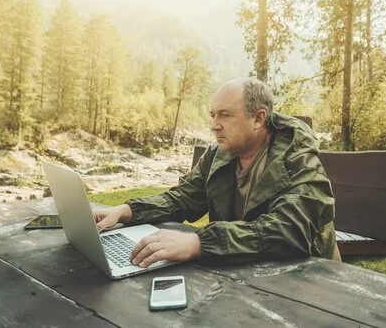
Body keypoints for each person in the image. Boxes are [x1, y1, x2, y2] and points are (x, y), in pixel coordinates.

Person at [93, 77, 341, 267]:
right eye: (212, 115)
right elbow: (182, 198)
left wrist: (200, 242)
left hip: (308, 277)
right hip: (243, 270)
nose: (214, 125)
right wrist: (126, 211)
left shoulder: (297, 157)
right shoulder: (218, 155)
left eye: (225, 115)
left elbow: (291, 229)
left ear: (258, 118)